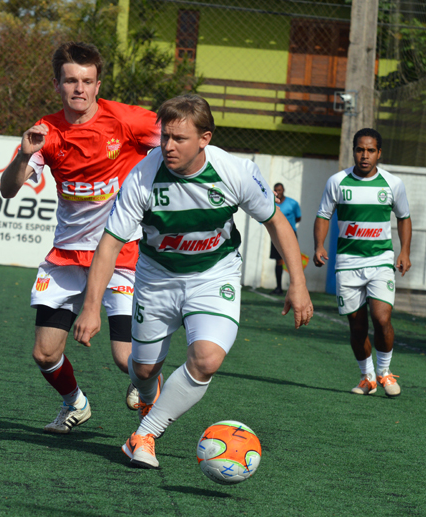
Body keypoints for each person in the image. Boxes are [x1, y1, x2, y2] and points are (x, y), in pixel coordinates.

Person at [74, 95, 313, 469]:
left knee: (206, 359)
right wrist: (91, 309)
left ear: (205, 138)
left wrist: (297, 283)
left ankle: (145, 434)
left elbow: (276, 222)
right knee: (142, 371)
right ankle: (147, 394)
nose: (168, 146)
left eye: (179, 139)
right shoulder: (143, 175)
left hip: (214, 276)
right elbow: (110, 244)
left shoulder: (236, 171)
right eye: (165, 136)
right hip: (156, 280)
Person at [0, 42, 160, 433]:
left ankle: (148, 422)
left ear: (98, 84)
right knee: (44, 352)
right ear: (57, 84)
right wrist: (23, 156)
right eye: (71, 80)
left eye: (87, 81)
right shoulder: (46, 131)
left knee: (128, 361)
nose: (79, 89)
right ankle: (76, 403)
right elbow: (8, 189)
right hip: (68, 259)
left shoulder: (127, 120)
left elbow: (177, 138)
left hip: (121, 255)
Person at [314, 128, 410, 398]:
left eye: (370, 150)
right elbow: (323, 215)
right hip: (347, 263)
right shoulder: (337, 181)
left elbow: (404, 217)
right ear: (354, 151)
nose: (364, 155)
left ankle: (384, 372)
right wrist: (319, 245)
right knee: (357, 326)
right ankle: (367, 377)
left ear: (379, 153)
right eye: (359, 150)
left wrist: (405, 252)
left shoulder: (393, 184)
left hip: (380, 260)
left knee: (381, 318)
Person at [270, 182, 301, 295]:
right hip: (276, 234)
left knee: (292, 260)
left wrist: (287, 226)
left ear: (283, 190)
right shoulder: (271, 204)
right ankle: (279, 287)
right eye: (276, 190)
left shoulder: (293, 203)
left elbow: (298, 218)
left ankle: (297, 288)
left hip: (290, 234)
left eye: (280, 190)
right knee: (278, 261)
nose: (278, 192)